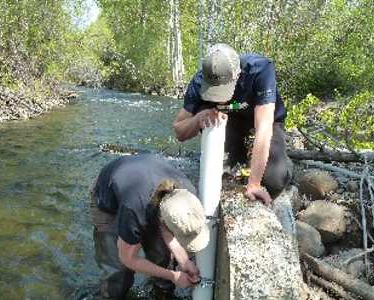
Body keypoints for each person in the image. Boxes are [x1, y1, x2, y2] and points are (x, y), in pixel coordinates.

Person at [173, 43, 292, 206]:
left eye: (223, 90)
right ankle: (237, 156)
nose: (220, 99)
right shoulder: (200, 80)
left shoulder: (259, 70)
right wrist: (198, 118)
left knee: (275, 181)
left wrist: (254, 183)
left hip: (264, 121)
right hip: (230, 123)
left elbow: (263, 129)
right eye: (214, 91)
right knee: (226, 174)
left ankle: (285, 165)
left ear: (238, 75)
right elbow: (179, 131)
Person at [89, 154, 209, 299]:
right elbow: (127, 258)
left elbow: (167, 224)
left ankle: (161, 293)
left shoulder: (188, 194)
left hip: (144, 186)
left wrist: (184, 260)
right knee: (118, 271)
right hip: (108, 199)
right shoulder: (134, 211)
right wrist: (173, 276)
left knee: (161, 255)